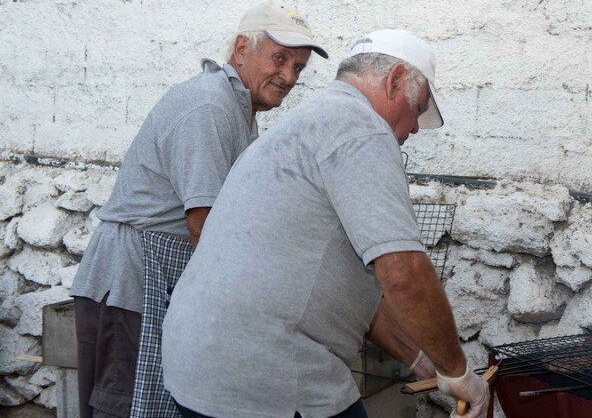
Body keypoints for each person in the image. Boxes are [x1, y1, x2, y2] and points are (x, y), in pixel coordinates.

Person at [161, 30, 489, 418]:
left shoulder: (311, 119)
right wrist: (458, 370)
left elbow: (349, 292)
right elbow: (402, 273)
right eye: (416, 110)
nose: (414, 128)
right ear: (395, 80)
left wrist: (423, 361)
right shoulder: (362, 128)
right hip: (265, 373)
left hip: (198, 364)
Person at [69, 0, 329, 418]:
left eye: (298, 67)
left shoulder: (238, 107)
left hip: (159, 277)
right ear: (242, 49)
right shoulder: (210, 106)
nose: (289, 77)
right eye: (279, 59)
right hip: (134, 282)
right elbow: (204, 226)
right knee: (121, 408)